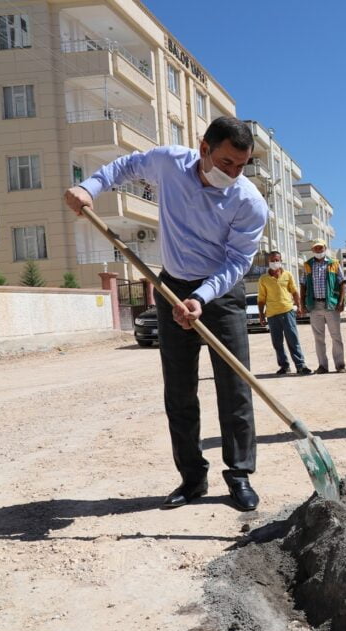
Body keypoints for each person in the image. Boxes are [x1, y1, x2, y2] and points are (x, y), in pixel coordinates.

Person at [64, 116, 267, 511]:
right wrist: (88, 187)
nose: (234, 173)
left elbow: (239, 259)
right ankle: (192, 478)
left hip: (220, 293)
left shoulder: (248, 202)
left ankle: (238, 474)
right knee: (179, 390)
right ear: (204, 147)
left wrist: (203, 298)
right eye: (226, 162)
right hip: (171, 285)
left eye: (241, 166)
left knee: (235, 385)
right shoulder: (170, 163)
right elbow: (124, 167)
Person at [257, 252, 312, 377]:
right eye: (272, 260)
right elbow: (261, 298)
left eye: (277, 260)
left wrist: (299, 306)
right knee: (277, 342)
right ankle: (284, 366)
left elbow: (294, 291)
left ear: (281, 260)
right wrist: (261, 314)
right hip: (272, 314)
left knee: (293, 339)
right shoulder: (263, 279)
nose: (275, 262)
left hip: (287, 311)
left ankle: (300, 366)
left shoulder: (287, 275)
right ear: (268, 262)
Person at [299, 240, 346, 373]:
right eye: (316, 248)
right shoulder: (308, 265)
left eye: (321, 248)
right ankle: (323, 366)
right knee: (318, 338)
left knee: (336, 336)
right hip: (314, 305)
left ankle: (340, 365)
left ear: (325, 248)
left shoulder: (334, 263)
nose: (319, 250)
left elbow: (342, 282)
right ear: (312, 250)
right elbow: (303, 285)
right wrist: (302, 304)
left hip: (331, 304)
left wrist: (341, 302)